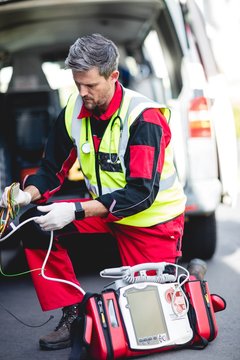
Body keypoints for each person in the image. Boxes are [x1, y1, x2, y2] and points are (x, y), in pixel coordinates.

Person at [0, 33, 187, 351]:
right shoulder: (74, 108)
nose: (82, 93)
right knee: (34, 225)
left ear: (113, 77)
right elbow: (51, 169)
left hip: (151, 223)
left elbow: (141, 194)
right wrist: (26, 195)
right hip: (105, 212)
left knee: (153, 328)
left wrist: (74, 210)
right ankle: (72, 314)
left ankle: (191, 283)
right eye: (77, 84)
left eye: (90, 85)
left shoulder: (144, 119)